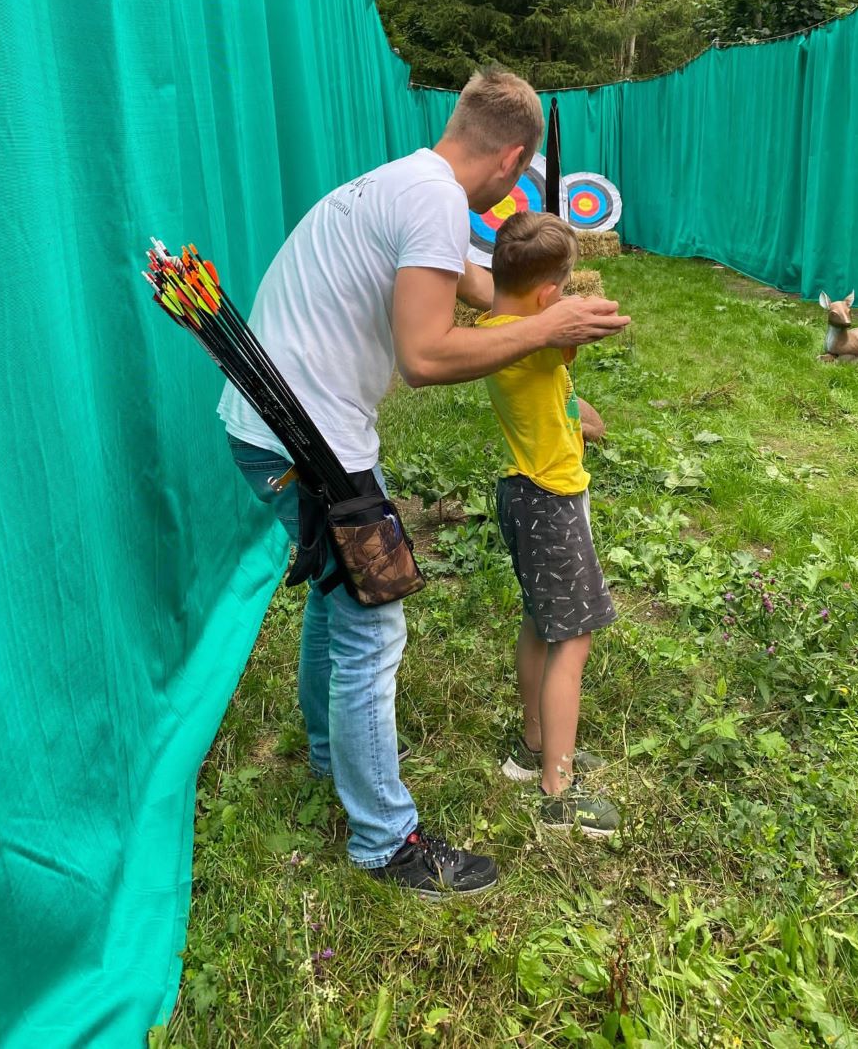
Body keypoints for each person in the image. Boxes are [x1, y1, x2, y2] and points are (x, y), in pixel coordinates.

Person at [218, 67, 630, 895]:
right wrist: (550, 322)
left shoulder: (406, 180)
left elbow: (477, 286)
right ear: (515, 160)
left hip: (267, 425)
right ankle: (385, 841)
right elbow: (427, 353)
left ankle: (330, 755)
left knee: (340, 592)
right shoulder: (439, 201)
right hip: (306, 438)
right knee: (373, 622)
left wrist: (530, 311)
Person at [477, 211, 620, 836]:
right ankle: (558, 787)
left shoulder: (495, 327)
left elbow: (563, 389)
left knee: (541, 620)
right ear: (547, 295)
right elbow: (589, 323)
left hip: (527, 493)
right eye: (561, 286)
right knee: (573, 640)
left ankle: (535, 743)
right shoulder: (537, 339)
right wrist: (575, 307)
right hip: (549, 501)